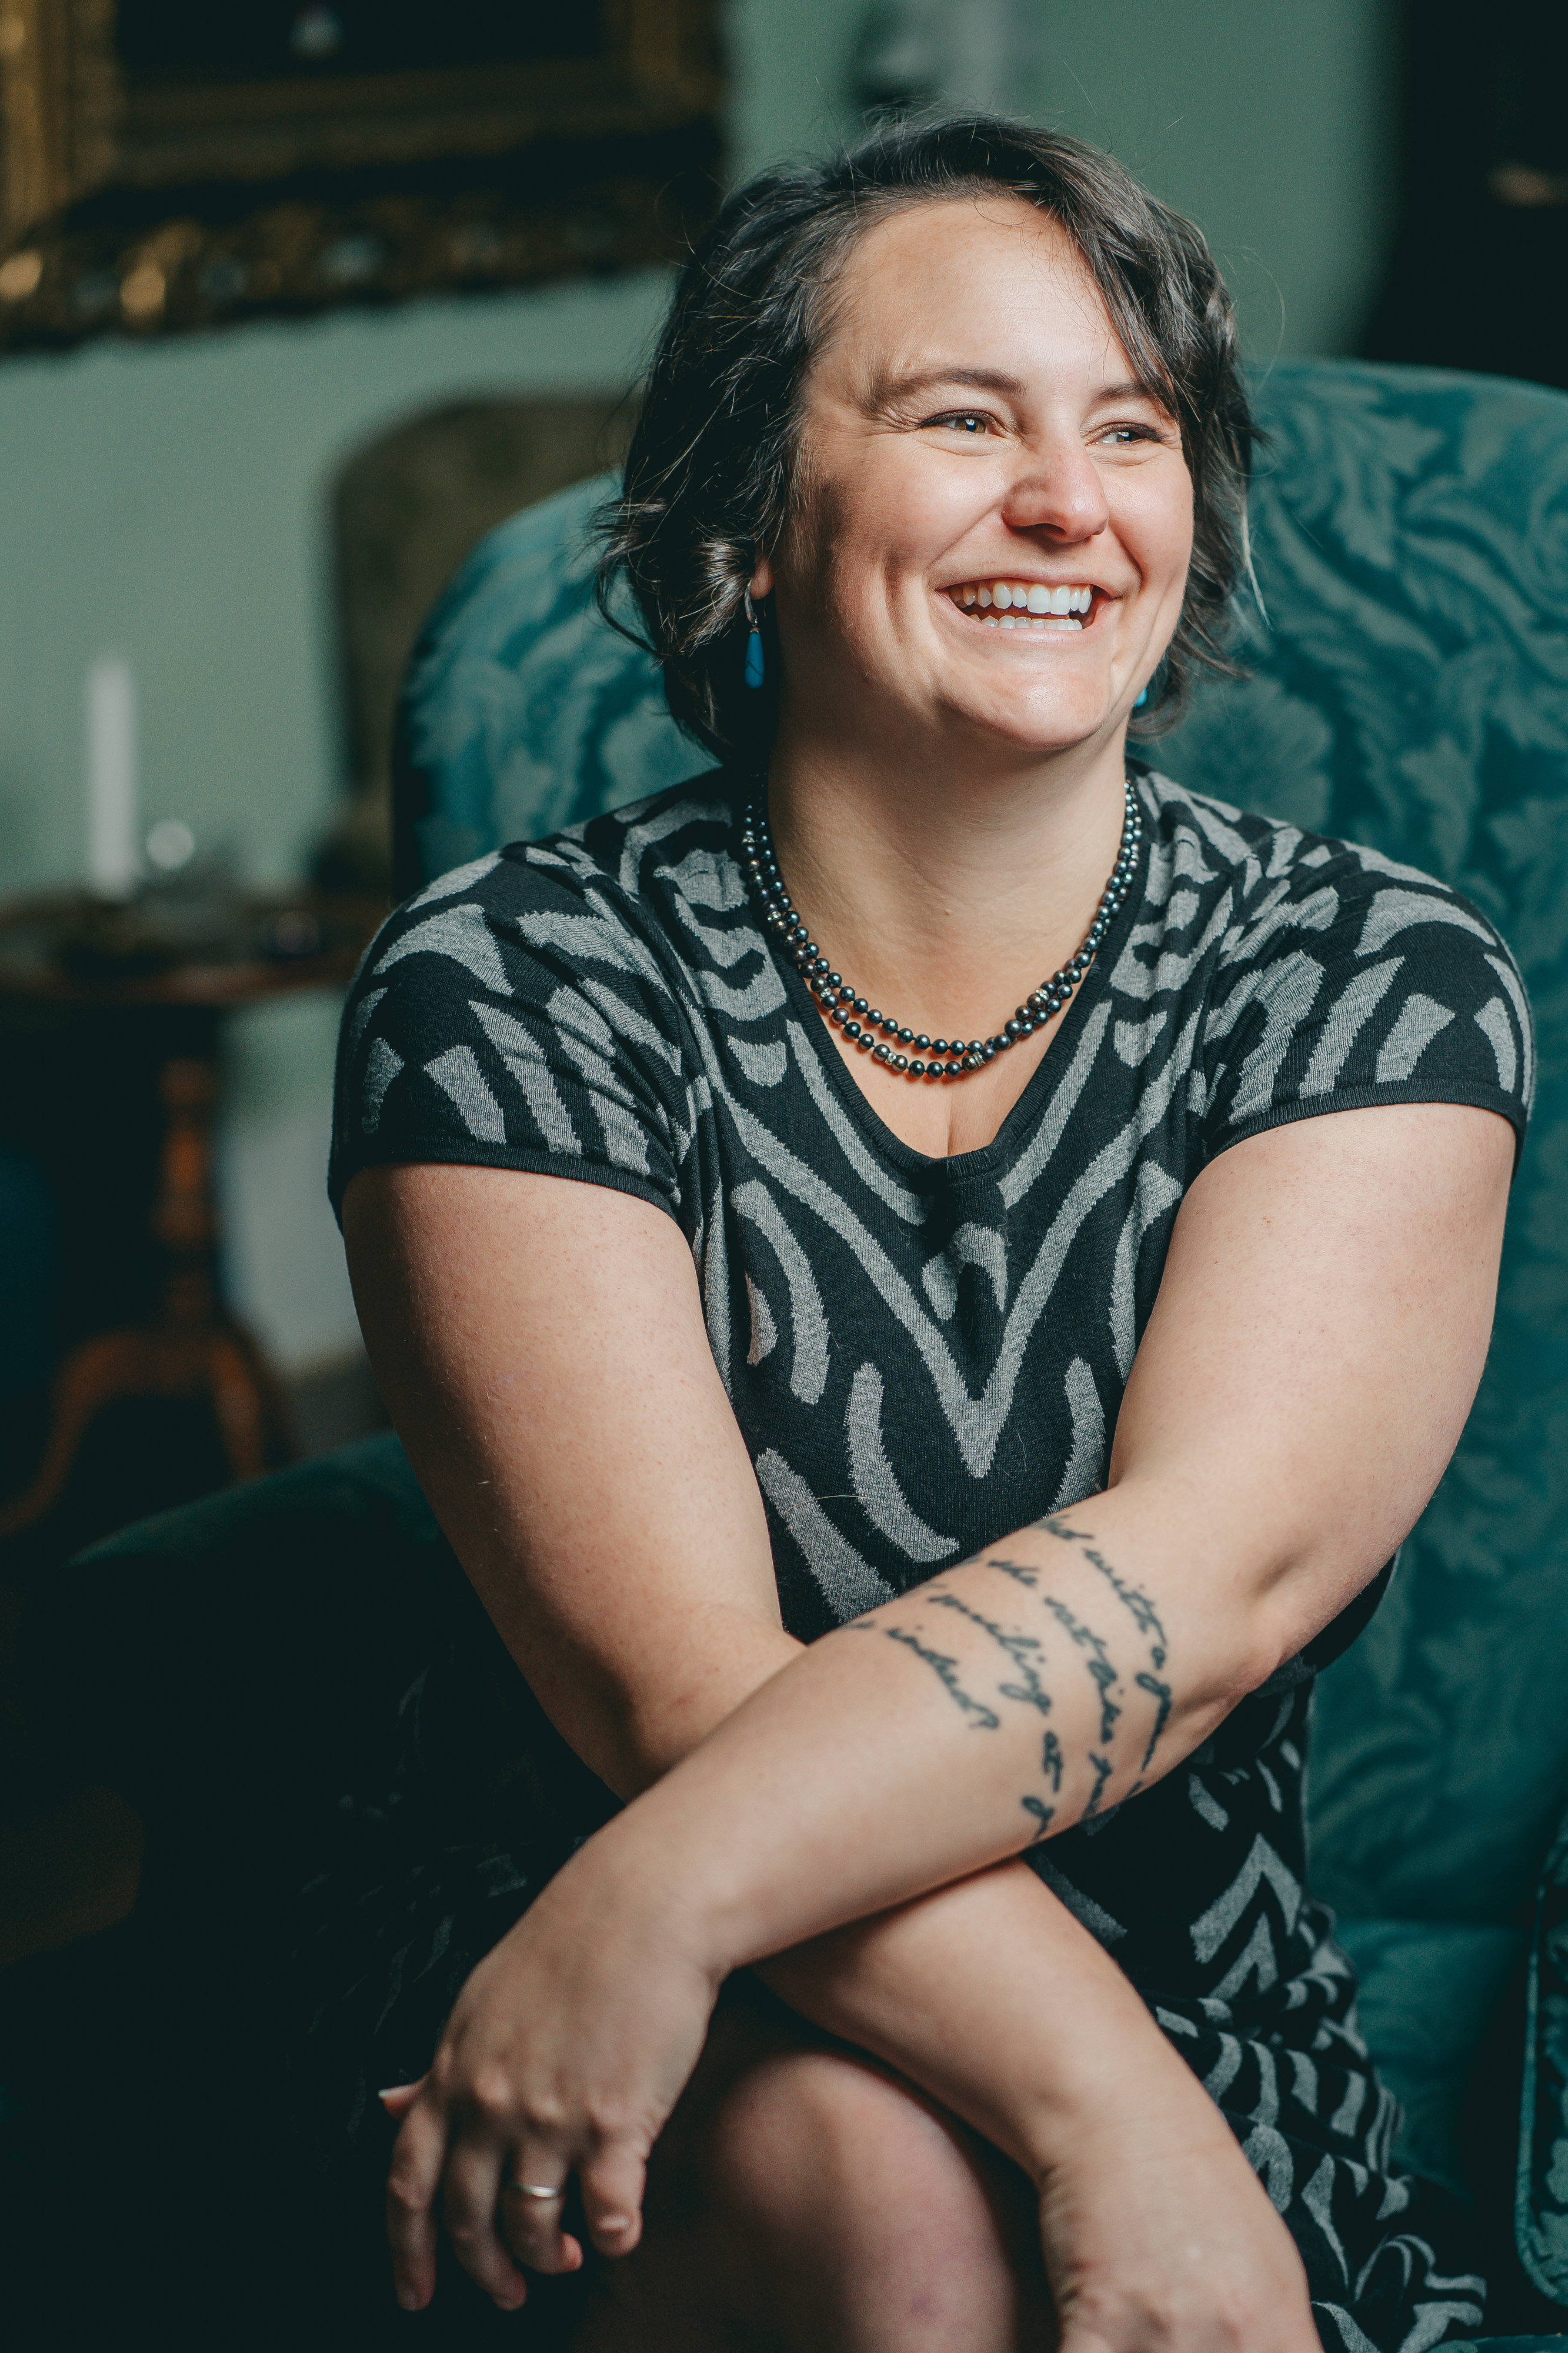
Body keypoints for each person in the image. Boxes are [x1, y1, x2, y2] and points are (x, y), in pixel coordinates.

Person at [319, 115, 1529, 2352]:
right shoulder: (514, 980)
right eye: (963, 420)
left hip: (1105, 1977)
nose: (1068, 502)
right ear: (743, 518)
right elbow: (672, 1692)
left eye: (1130, 432)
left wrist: (661, 1904)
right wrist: (1103, 2125)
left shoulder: (1369, 977)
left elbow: (1207, 1586)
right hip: (625, 2014)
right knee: (890, 2212)